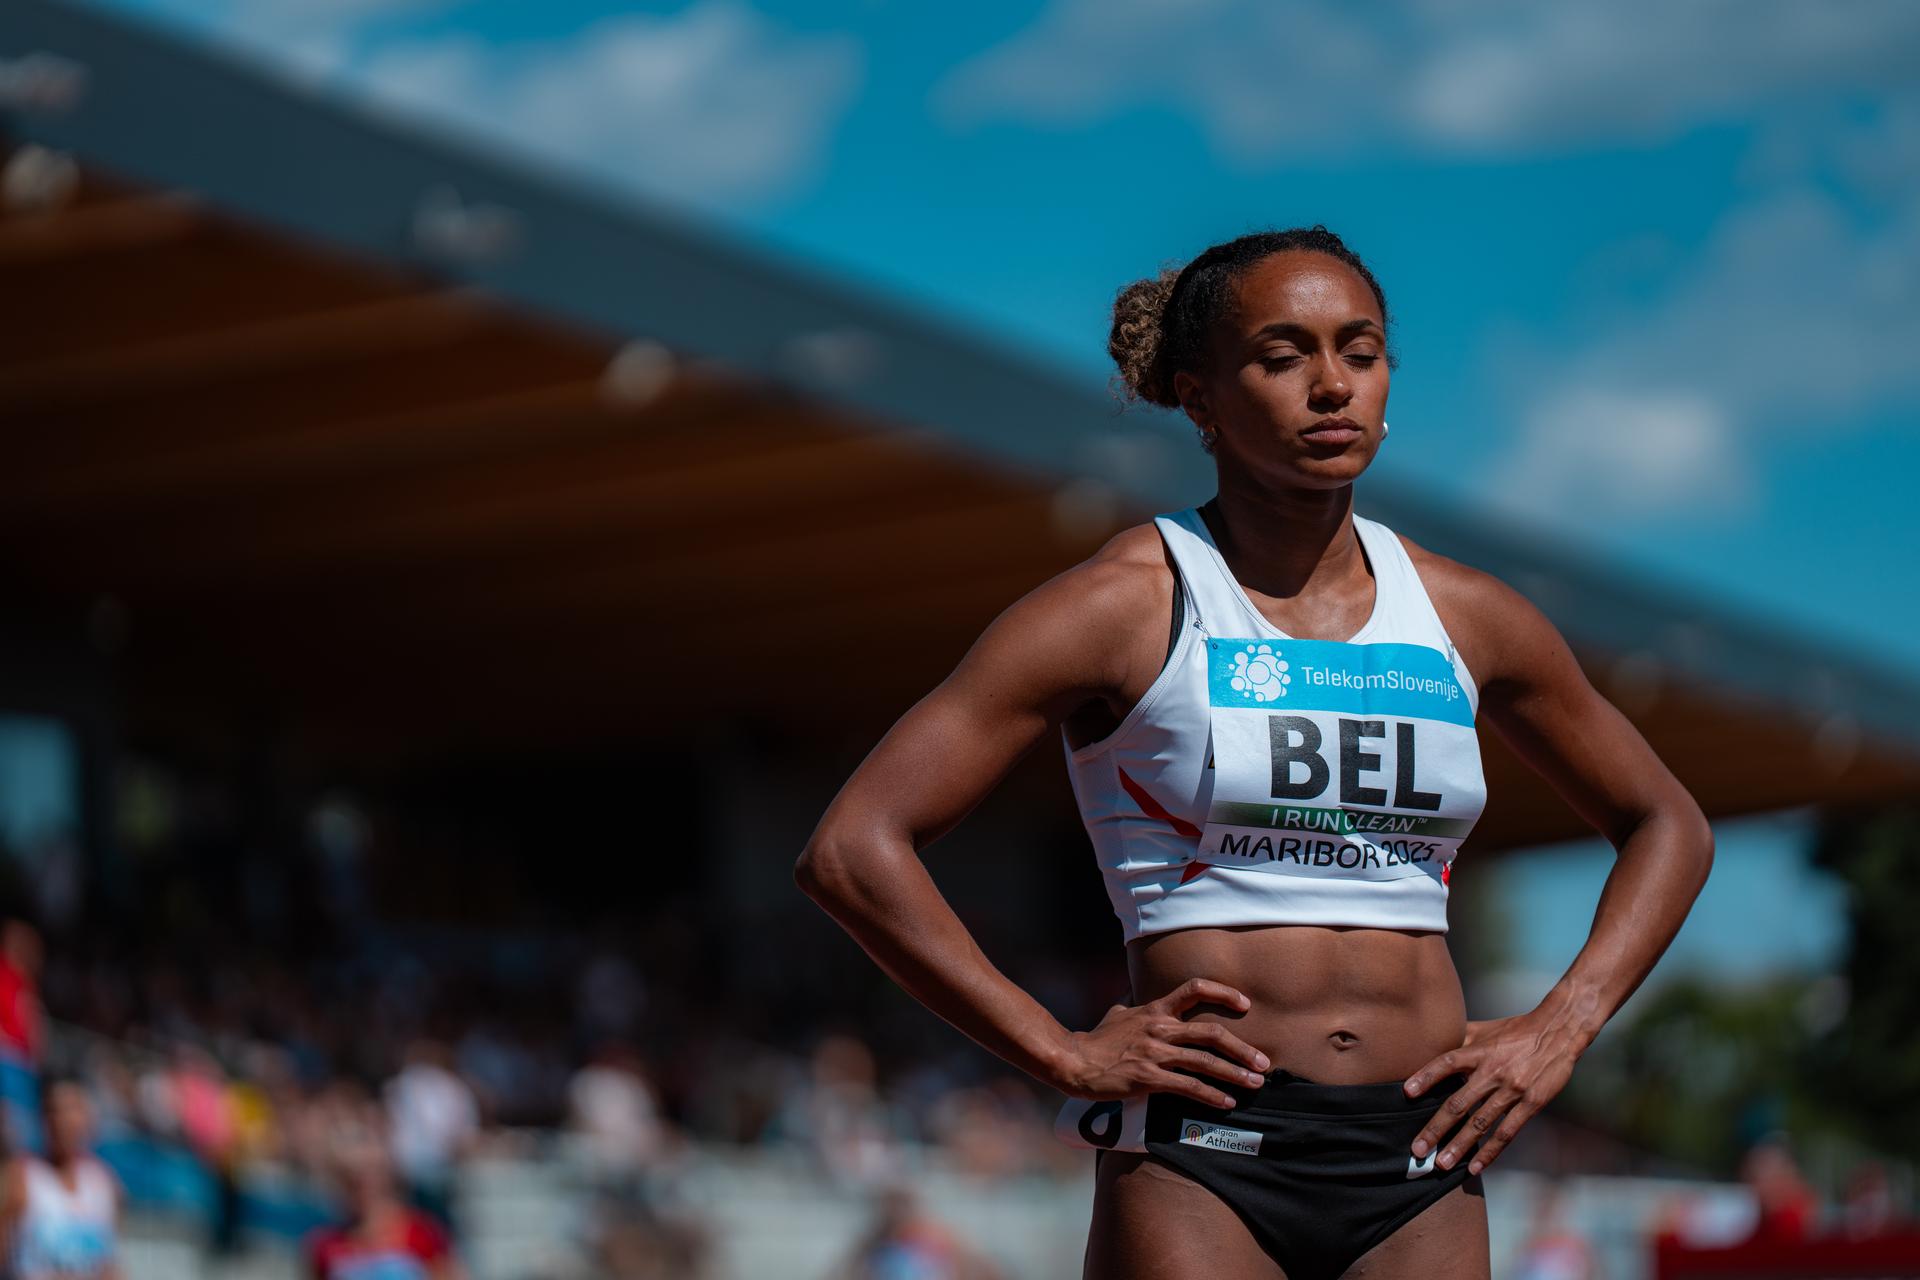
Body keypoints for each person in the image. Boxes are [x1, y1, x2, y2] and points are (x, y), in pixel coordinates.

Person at [795, 226, 1714, 1279]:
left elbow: (1667, 823)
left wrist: (1564, 1022)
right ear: (1199, 397)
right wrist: (1057, 1047)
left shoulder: (1469, 615)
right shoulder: (1125, 605)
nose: (1331, 385)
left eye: (1358, 350)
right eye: (1283, 356)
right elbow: (853, 847)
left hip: (1422, 1145)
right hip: (1205, 1155)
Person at [0, 1076, 124, 1280]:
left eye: (73, 1109)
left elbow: (108, 1264)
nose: (64, 1120)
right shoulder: (22, 1177)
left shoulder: (103, 1181)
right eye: (55, 1110)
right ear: (43, 1119)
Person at [305, 1136, 466, 1280]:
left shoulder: (423, 1233)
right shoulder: (325, 1245)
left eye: (369, 1177)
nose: (363, 1189)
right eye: (348, 1179)